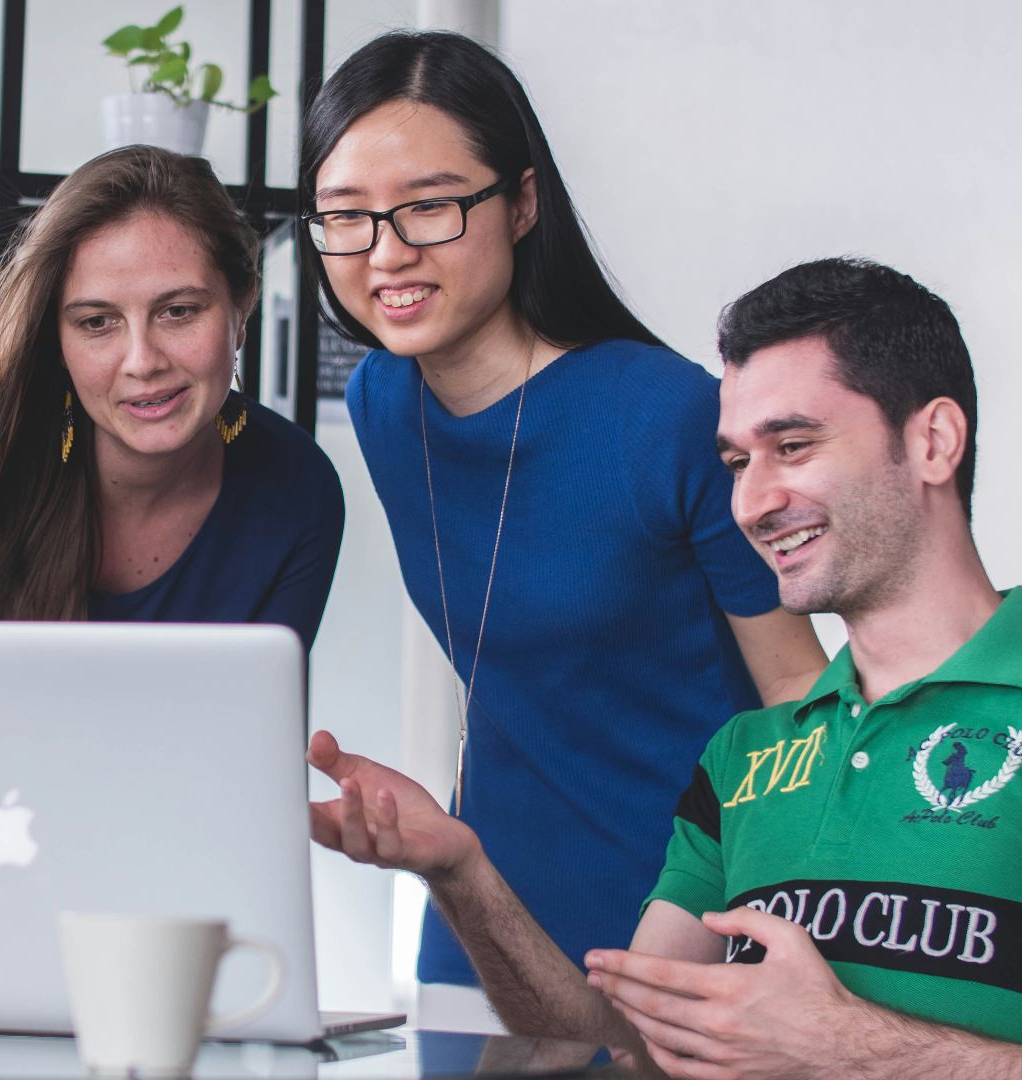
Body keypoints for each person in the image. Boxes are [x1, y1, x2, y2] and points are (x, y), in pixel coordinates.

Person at [309, 258, 1022, 1075]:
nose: (753, 500)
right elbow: (624, 1047)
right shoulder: (744, 756)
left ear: (933, 441)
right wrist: (461, 869)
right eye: (737, 461)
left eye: (794, 447)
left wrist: (852, 1048)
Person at [296, 30, 826, 1025]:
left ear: (523, 201)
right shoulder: (381, 402)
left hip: (687, 935)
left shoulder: (664, 414)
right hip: (482, 926)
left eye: (431, 206)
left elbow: (797, 693)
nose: (387, 253)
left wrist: (791, 934)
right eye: (347, 218)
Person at [0, 146, 344, 649]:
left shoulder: (298, 489)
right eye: (97, 322)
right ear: (56, 339)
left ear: (241, 309)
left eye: (178, 311)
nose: (142, 360)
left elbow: (255, 719)